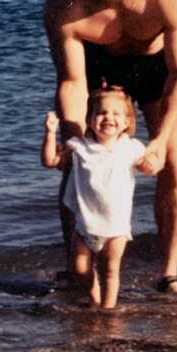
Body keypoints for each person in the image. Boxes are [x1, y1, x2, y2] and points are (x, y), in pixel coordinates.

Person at [44, 0, 177, 295]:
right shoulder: (66, 3)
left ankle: (170, 274)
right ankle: (77, 271)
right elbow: (70, 80)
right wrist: (70, 133)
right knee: (78, 161)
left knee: (175, 159)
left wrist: (160, 141)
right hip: (98, 71)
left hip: (157, 69)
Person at [41, 86, 148, 308]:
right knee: (80, 269)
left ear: (128, 122)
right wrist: (50, 133)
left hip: (115, 227)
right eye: (101, 113)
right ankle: (95, 298)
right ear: (89, 120)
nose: (108, 117)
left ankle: (108, 312)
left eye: (116, 113)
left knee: (110, 271)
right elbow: (50, 161)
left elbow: (151, 167)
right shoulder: (79, 146)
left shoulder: (131, 148)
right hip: (85, 226)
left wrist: (157, 153)